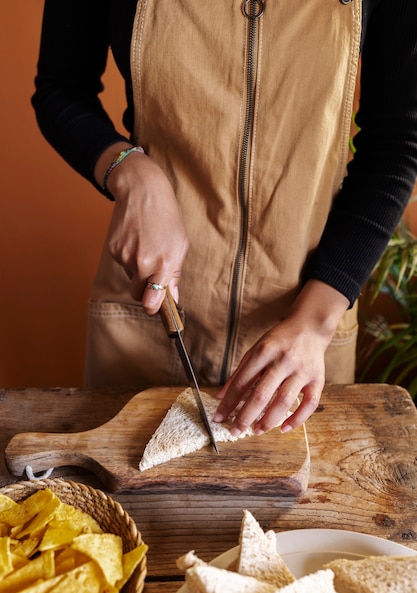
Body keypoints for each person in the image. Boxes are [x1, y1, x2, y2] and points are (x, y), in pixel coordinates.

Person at [32, 0, 417, 437]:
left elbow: (398, 141)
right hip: (148, 310)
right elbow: (60, 87)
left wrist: (315, 321)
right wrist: (129, 169)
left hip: (307, 330)